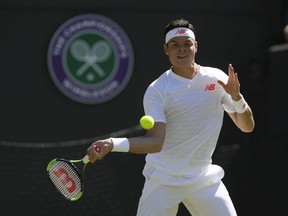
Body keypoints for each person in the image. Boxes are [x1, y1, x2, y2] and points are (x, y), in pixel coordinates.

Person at [86, 18, 255, 216]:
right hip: (163, 181)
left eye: (187, 44)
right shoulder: (157, 90)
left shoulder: (217, 79)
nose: (181, 50)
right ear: (166, 49)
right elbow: (156, 142)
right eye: (175, 45)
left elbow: (247, 126)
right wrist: (112, 144)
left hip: (203, 179)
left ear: (196, 46)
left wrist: (237, 98)